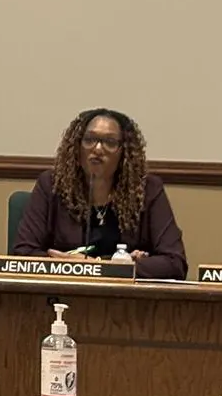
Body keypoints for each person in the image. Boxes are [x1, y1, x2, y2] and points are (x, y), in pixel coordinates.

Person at [13, 108, 186, 280]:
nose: (97, 148)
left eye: (110, 142)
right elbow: (22, 255)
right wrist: (70, 267)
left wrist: (99, 265)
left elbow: (175, 263)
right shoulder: (52, 185)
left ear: (124, 152)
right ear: (77, 146)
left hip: (126, 301)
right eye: (89, 140)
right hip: (61, 295)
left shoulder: (147, 190)